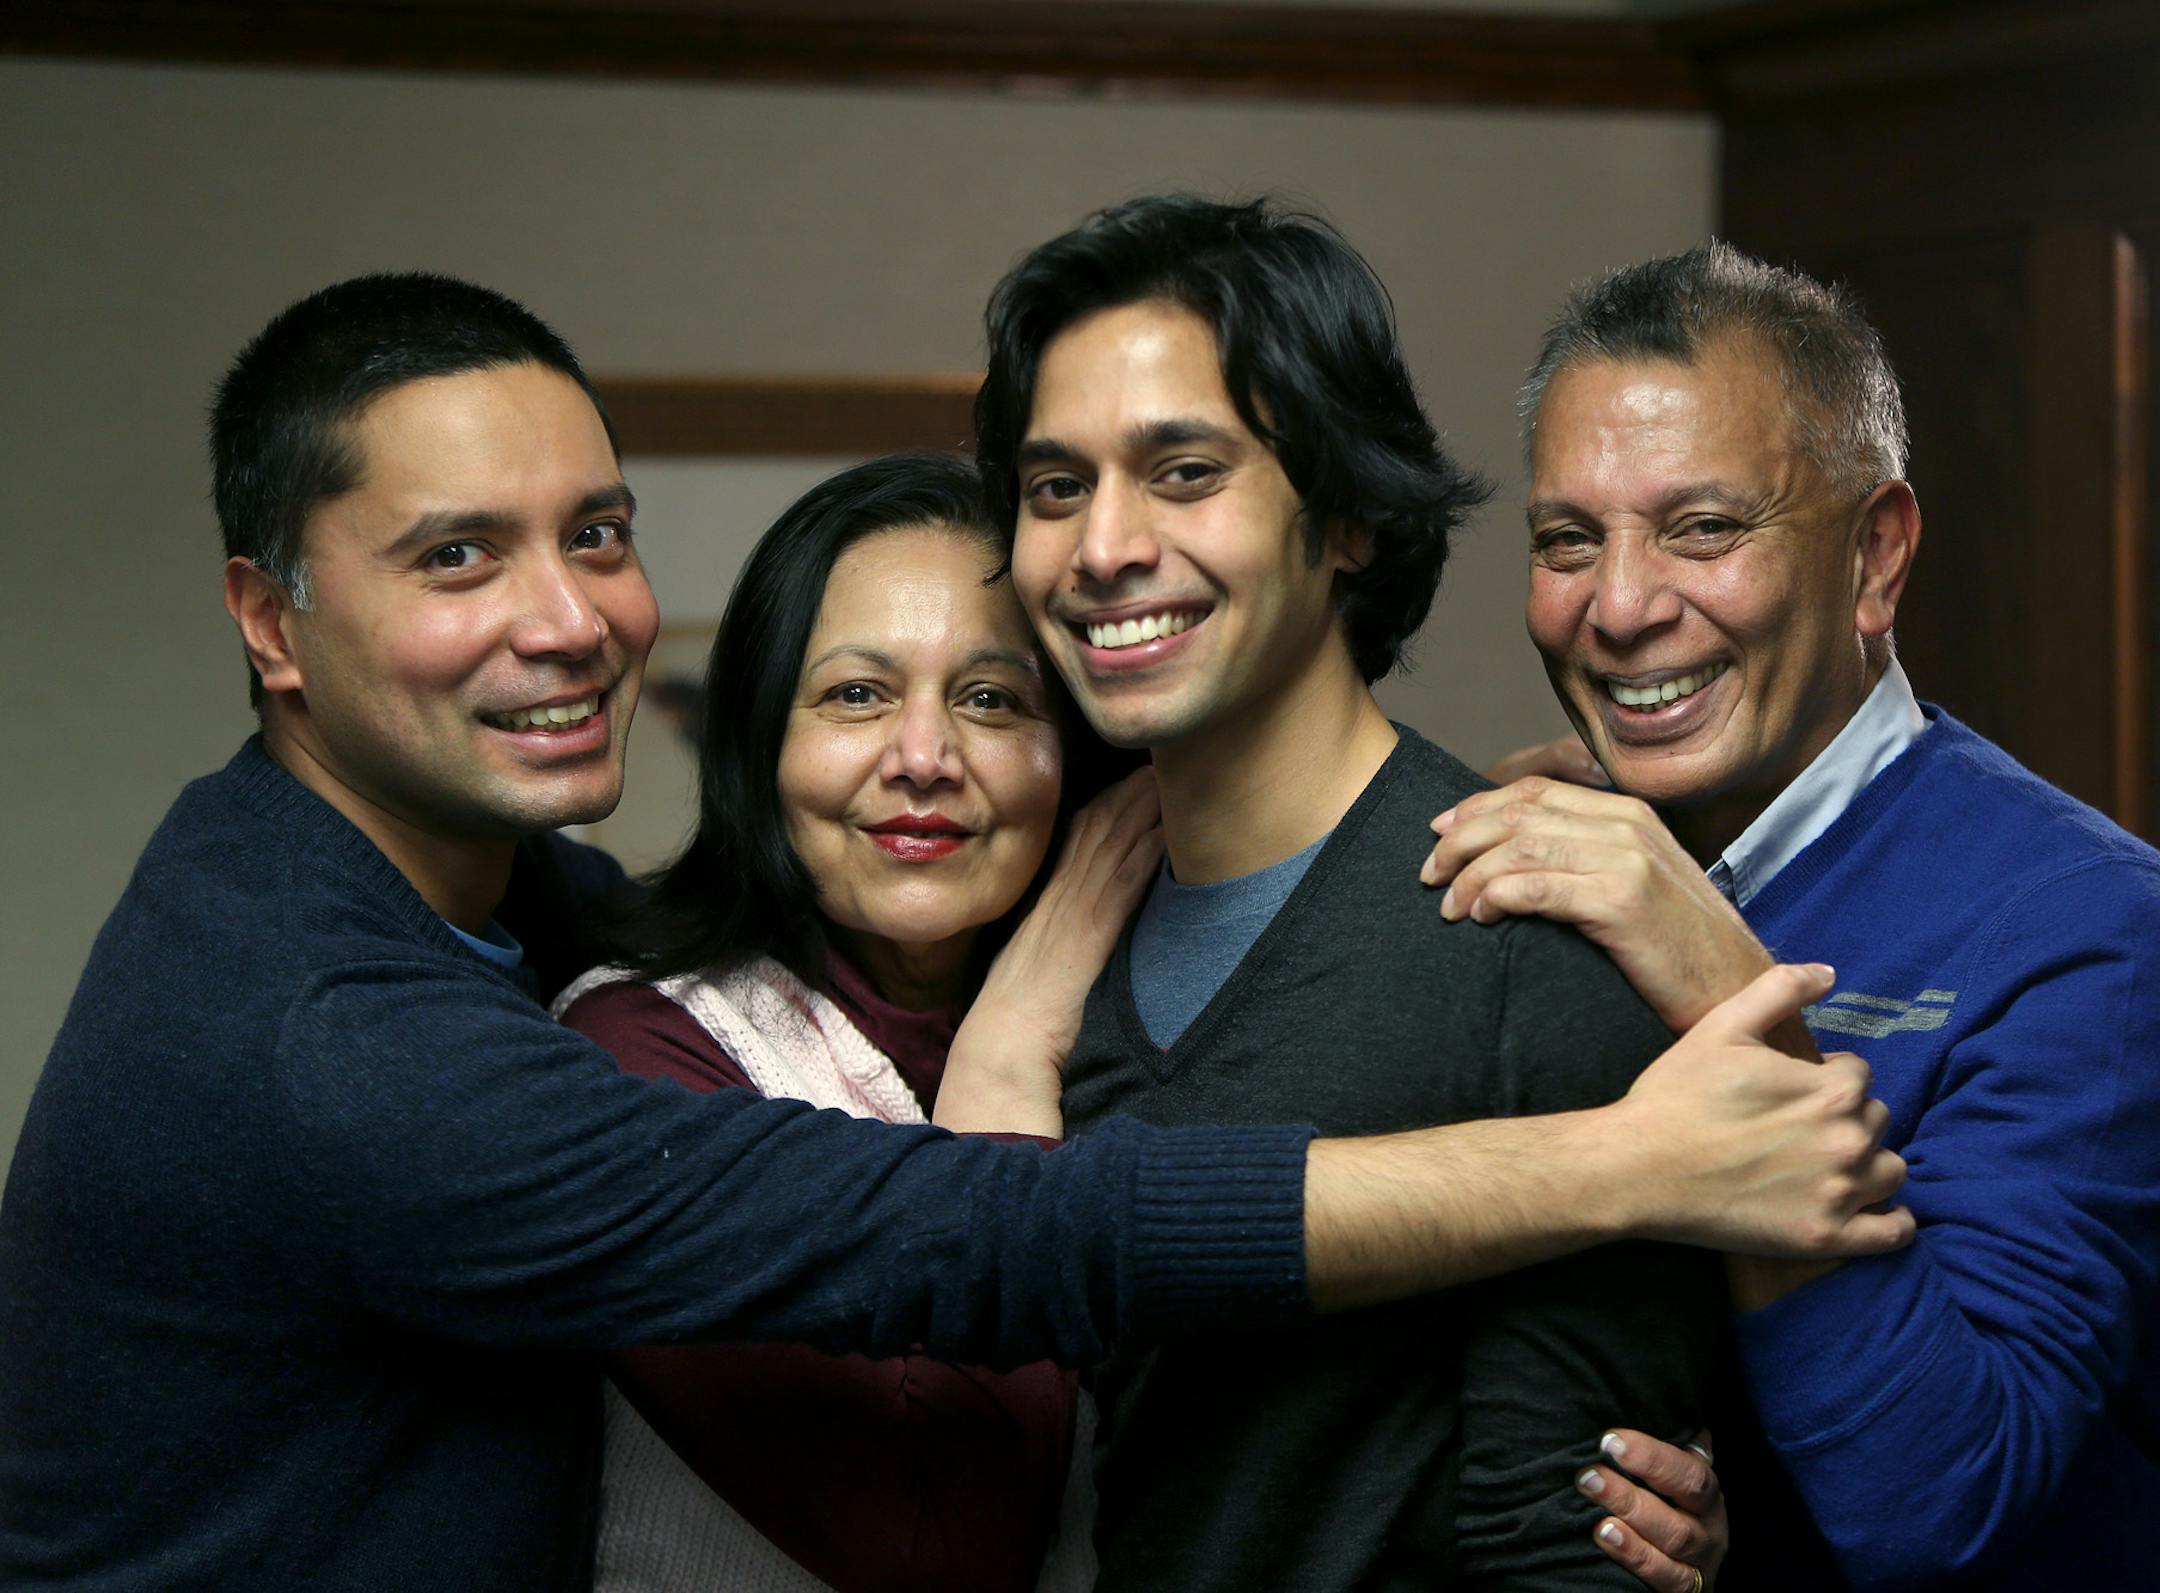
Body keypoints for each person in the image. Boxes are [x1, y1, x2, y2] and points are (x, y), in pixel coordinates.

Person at [0, 270, 1908, 1592]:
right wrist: (1618, 1163)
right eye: (454, 557)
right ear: (272, 619)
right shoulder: (345, 1034)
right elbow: (965, 1262)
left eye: (597, 533)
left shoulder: (490, 894)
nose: (570, 618)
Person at [976, 193, 1750, 1592]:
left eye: (1184, 471)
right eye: (1054, 488)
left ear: (1342, 518)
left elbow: (1574, 1558)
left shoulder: (1525, 928)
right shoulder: (1043, 934)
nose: (1101, 548)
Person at [1424, 241, 2160, 1589]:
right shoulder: (1543, 865)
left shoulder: (2095, 931)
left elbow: (1948, 1500)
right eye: (1567, 541)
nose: (1623, 607)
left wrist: (1724, 981)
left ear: (1875, 557)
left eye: (1704, 528)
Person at [557, 453, 1153, 1592]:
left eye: (991, 699)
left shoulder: (1140, 1024)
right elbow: (944, 1545)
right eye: (856, 694)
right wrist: (1009, 1040)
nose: (922, 760)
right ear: (759, 745)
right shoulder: (639, 1054)